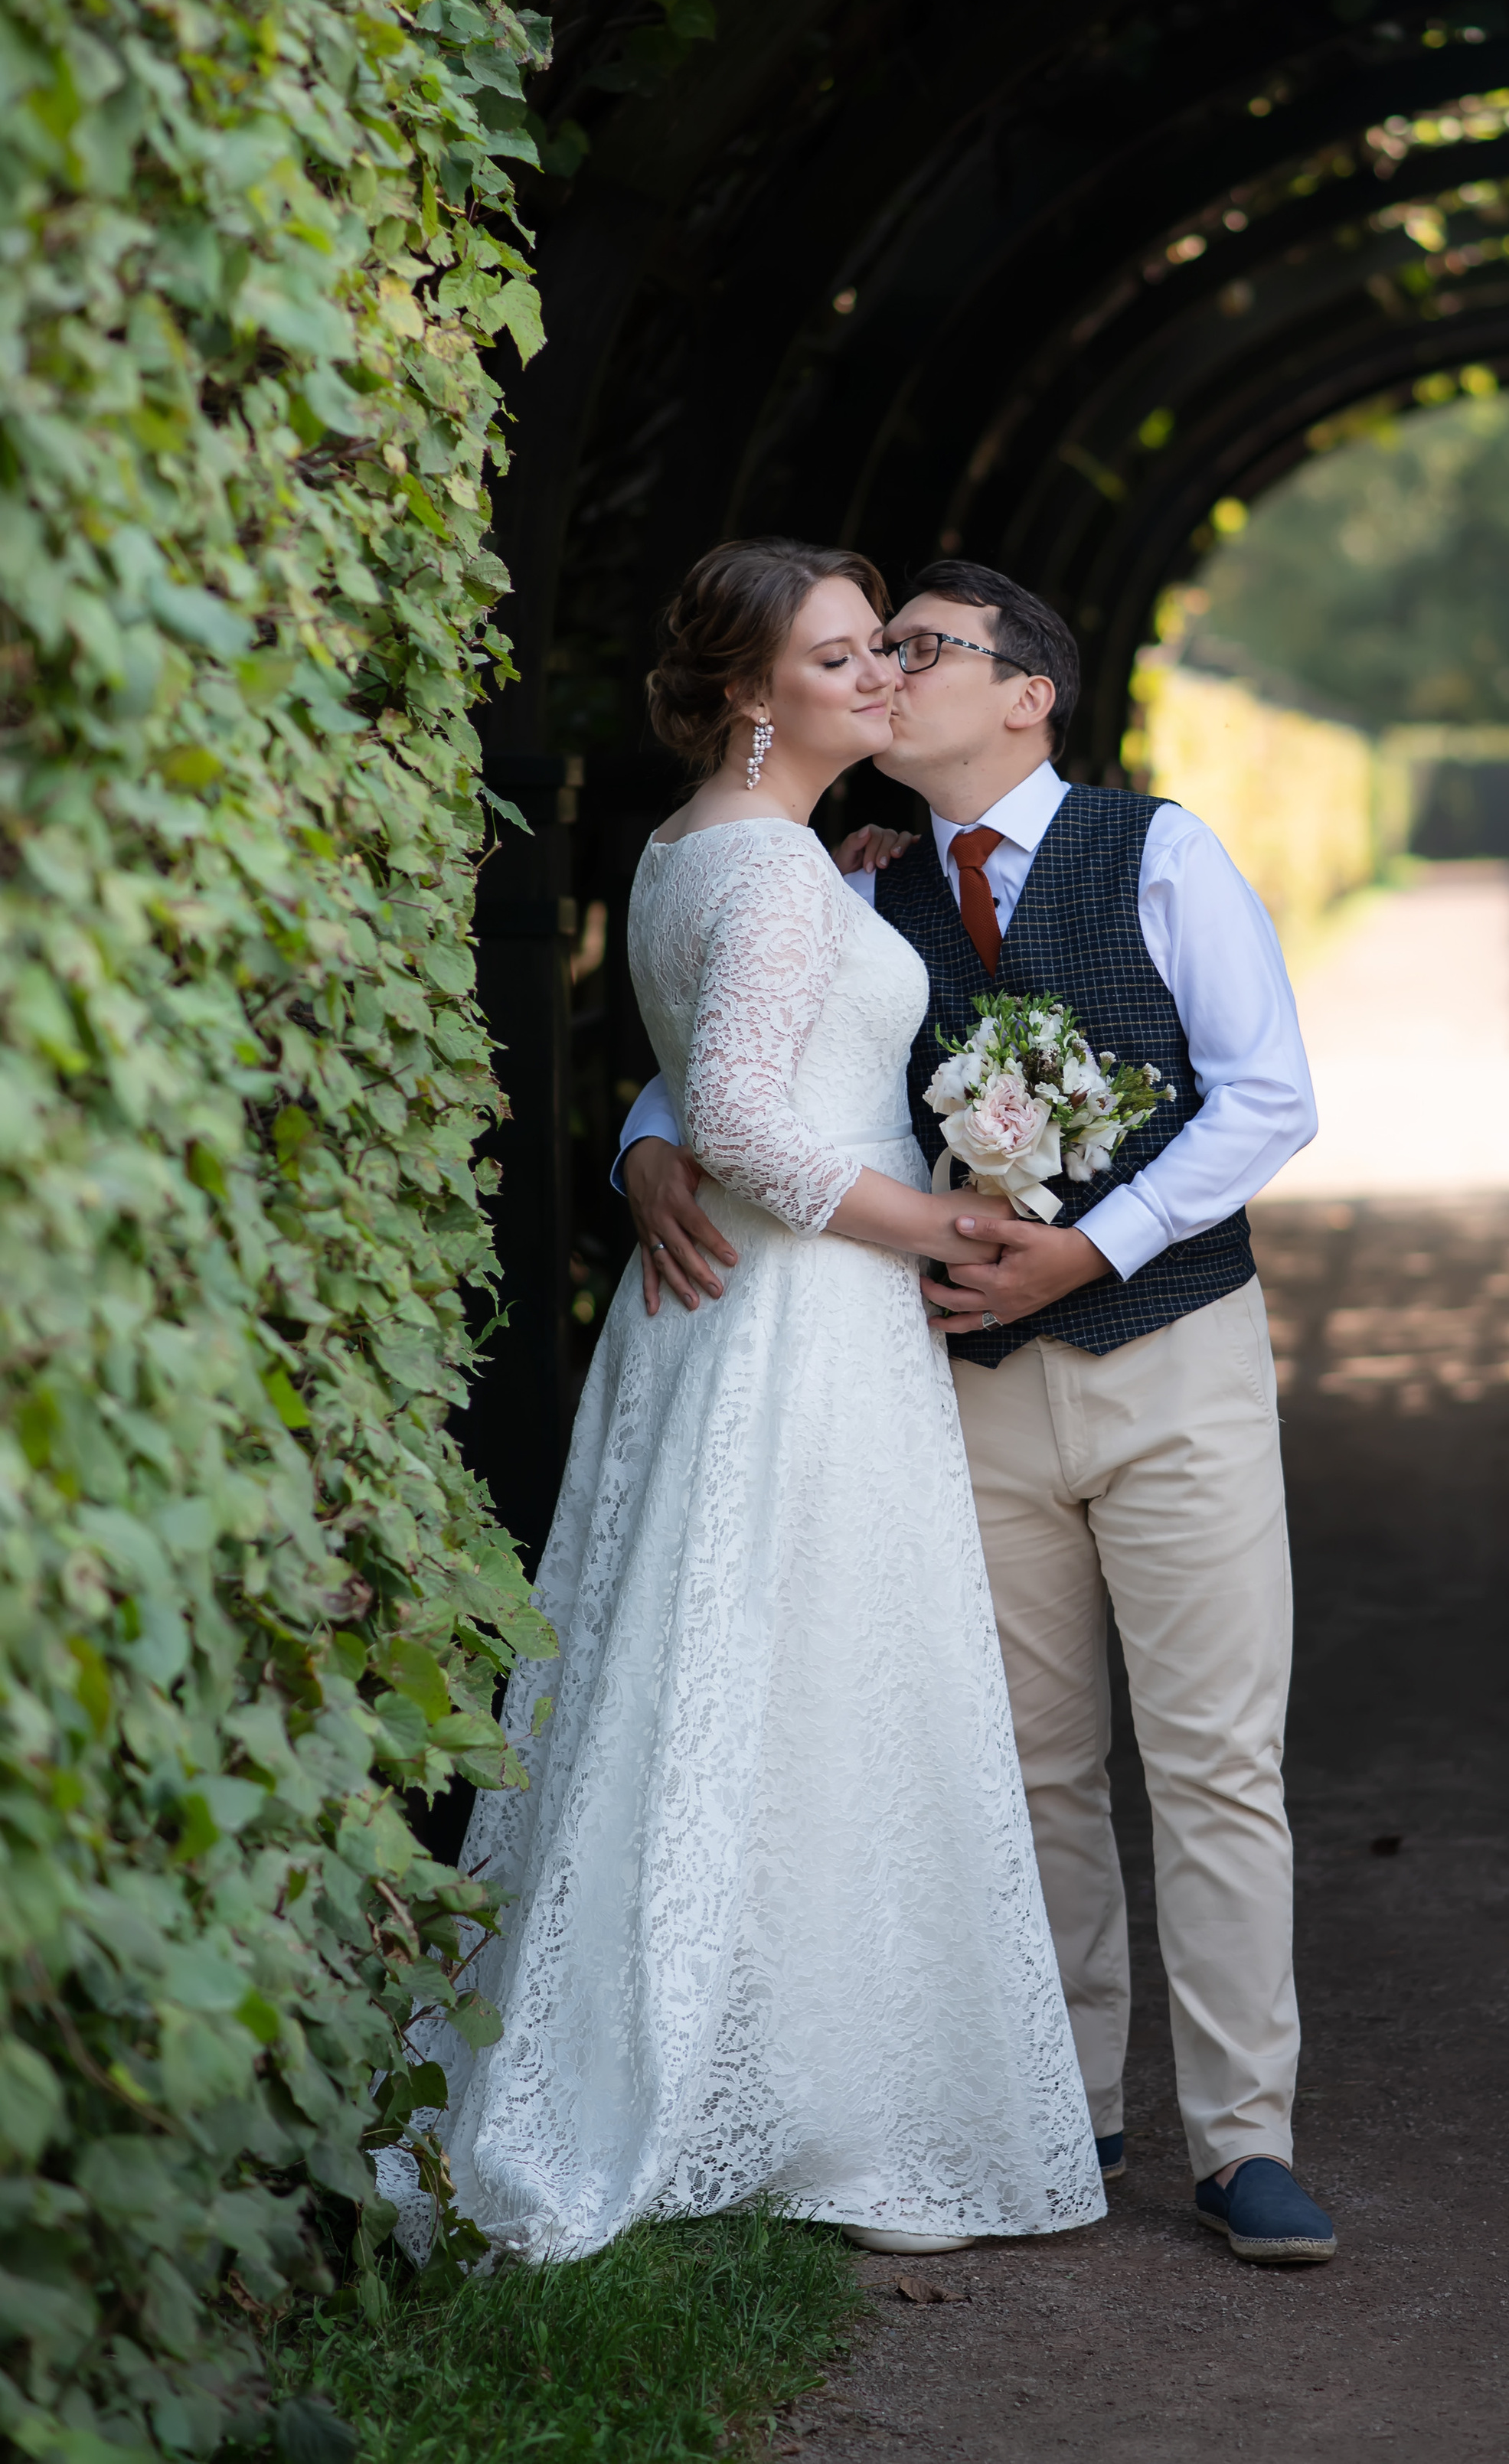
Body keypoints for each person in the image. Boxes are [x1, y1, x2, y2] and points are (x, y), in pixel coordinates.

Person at [619, 562, 1336, 2266]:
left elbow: (1270, 1095)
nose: (887, 678)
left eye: (921, 650)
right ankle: (1062, 2100)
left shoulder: (1159, 852)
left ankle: (1243, 2143)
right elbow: (750, 1041)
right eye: (868, 651)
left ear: (1026, 693)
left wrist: (1089, 1246)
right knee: (1029, 1768)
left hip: (1174, 1363)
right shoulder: (856, 884)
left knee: (1217, 1762)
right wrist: (641, 1137)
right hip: (968, 1388)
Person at [410, 541, 1103, 2266]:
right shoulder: (778, 878)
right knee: (801, 1668)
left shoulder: (715, 854)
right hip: (800, 1309)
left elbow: (733, 1059)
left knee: (732, 1667)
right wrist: (938, 1219)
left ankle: (755, 2044)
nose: (878, 680)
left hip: (742, 1313)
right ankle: (791, 2085)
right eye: (841, 660)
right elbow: (741, 1119)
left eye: (884, 654)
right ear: (747, 696)